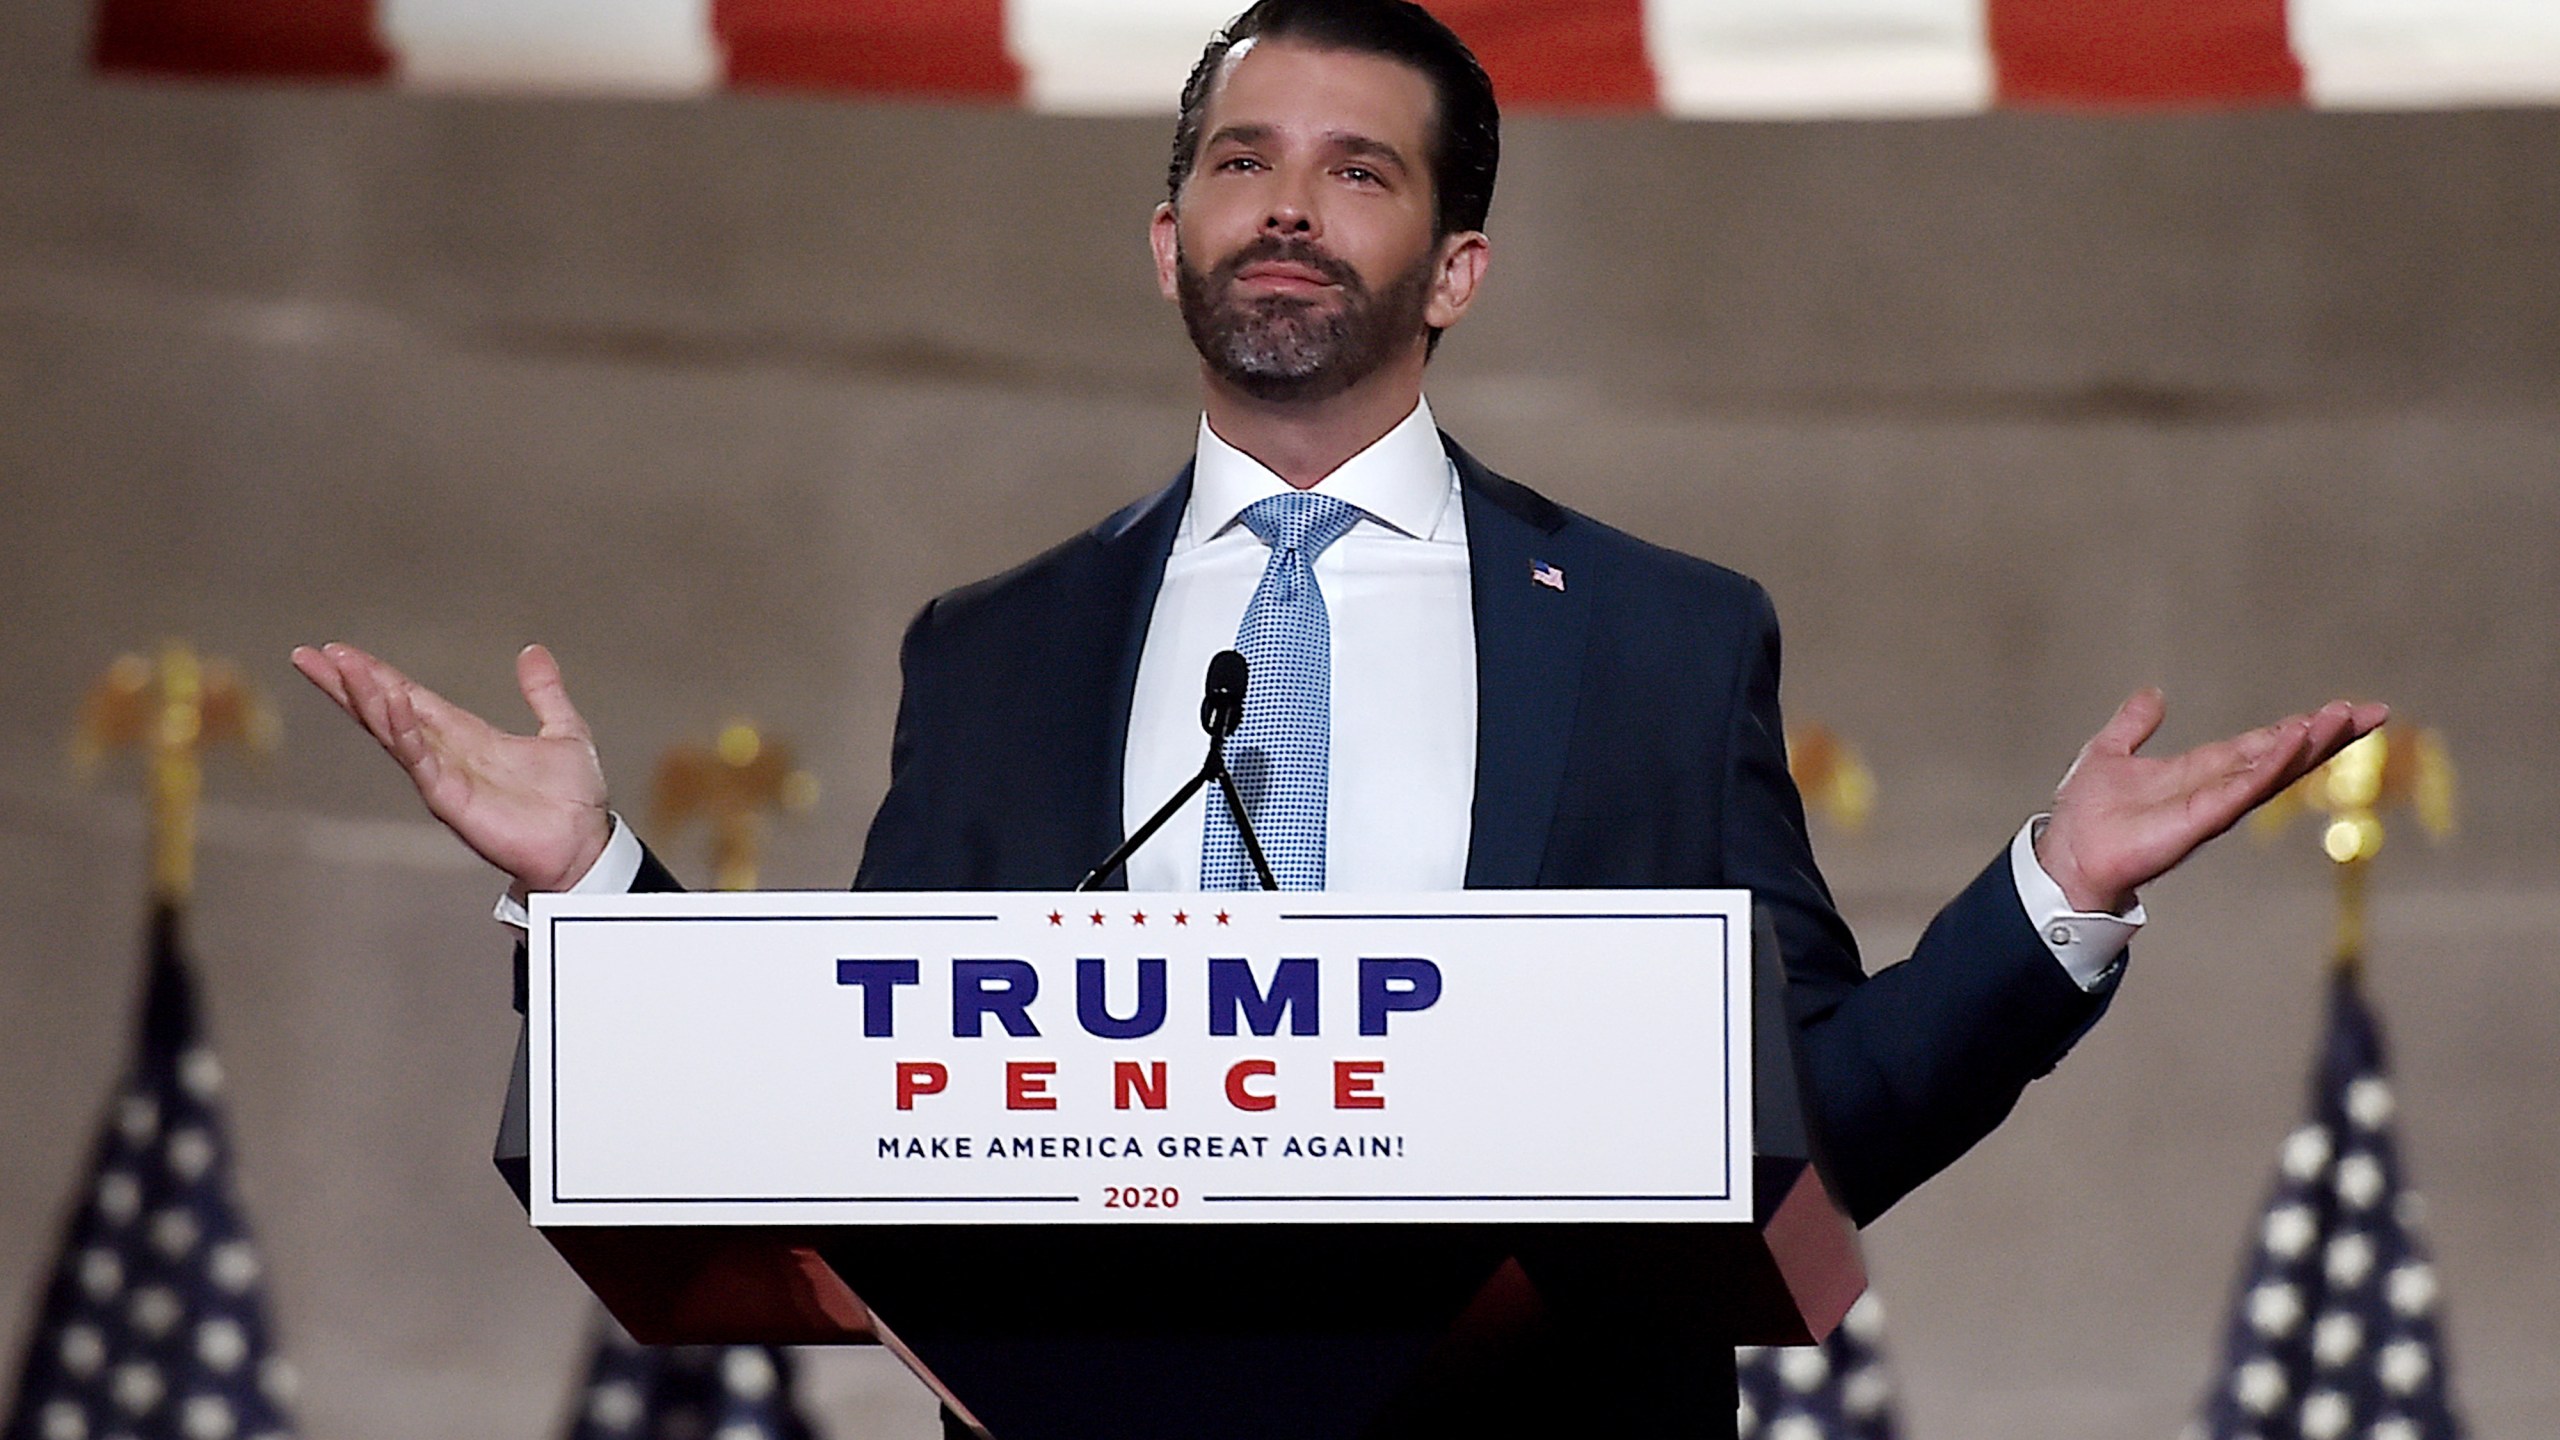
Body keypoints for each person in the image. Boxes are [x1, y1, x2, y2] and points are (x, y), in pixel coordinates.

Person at [292, 1, 2385, 1432]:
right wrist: (599, 888)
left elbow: (1804, 1121)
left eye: (1354, 173)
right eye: (1237, 162)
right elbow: (864, 1092)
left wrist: (2049, 903)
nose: (1284, 206)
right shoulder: (993, 646)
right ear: (1164, 234)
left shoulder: (1658, 636)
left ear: (1451, 267)